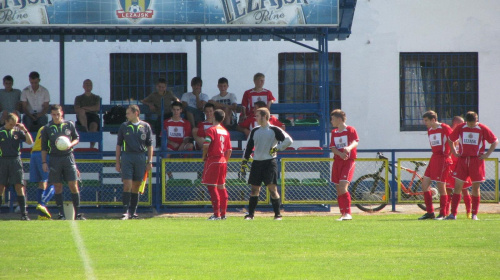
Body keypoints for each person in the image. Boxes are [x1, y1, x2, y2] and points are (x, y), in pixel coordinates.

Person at [241, 107, 292, 220]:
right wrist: (244, 161)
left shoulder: (274, 130)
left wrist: (276, 149)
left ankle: (277, 214)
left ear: (264, 117)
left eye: (258, 116)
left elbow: (288, 140)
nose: (256, 118)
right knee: (254, 189)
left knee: (272, 189)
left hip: (269, 163)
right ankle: (251, 214)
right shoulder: (255, 130)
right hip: (256, 163)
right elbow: (248, 147)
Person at [445, 111, 498, 220]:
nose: (471, 126)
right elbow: (450, 139)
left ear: (476, 121)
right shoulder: (461, 127)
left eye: (472, 124)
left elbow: (494, 141)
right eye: (469, 124)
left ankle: (474, 214)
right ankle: (453, 214)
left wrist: (487, 154)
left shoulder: (482, 128)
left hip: (476, 161)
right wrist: (454, 152)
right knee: (457, 187)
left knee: (475, 187)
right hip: (463, 160)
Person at [41, 104, 84, 220]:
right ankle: (61, 214)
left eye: (58, 114)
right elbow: (44, 147)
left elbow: (77, 138)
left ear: (62, 113)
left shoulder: (69, 125)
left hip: (68, 157)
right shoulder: (47, 128)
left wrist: (71, 144)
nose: (56, 117)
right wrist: (44, 162)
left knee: (73, 185)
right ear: (51, 114)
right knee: (58, 186)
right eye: (54, 114)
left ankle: (78, 214)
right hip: (54, 158)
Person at [116, 105, 154, 220]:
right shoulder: (124, 126)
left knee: (136, 185)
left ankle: (133, 212)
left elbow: (149, 145)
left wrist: (149, 161)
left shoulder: (145, 126)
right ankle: (125, 212)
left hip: (140, 157)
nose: (126, 116)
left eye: (128, 113)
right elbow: (118, 145)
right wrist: (117, 162)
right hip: (127, 156)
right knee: (127, 184)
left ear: (136, 113)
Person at [418, 111, 453, 220]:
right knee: (424, 185)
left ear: (433, 119)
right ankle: (430, 212)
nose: (425, 123)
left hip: (443, 159)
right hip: (434, 158)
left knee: (441, 187)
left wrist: (449, 155)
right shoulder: (430, 130)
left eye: (426, 120)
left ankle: (443, 213)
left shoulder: (445, 128)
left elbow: (454, 141)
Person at [0, 113, 33, 220]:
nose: (12, 126)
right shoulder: (1, 132)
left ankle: (24, 214)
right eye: (10, 124)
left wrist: (25, 130)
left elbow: (29, 142)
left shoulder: (18, 132)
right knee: (1, 187)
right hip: (3, 160)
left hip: (15, 160)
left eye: (14, 124)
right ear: (6, 121)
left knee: (19, 186)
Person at [202, 109, 232, 220]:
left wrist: (204, 156)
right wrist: (225, 160)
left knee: (212, 187)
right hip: (223, 161)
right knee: (221, 187)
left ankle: (216, 214)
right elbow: (229, 150)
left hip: (213, 160)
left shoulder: (211, 130)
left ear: (214, 117)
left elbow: (206, 145)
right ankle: (223, 214)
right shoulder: (225, 131)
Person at [329, 109, 359, 221]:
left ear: (339, 119)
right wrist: (340, 154)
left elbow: (355, 141)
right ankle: (342, 213)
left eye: (332, 119)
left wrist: (348, 148)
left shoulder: (350, 129)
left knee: (343, 187)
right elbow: (332, 147)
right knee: (338, 188)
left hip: (348, 161)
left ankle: (348, 213)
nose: (331, 121)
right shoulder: (334, 132)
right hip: (337, 162)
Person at [445, 116, 473, 218]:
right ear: (455, 124)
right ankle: (446, 211)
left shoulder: (464, 133)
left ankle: (469, 212)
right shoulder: (450, 133)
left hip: (461, 165)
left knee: (464, 189)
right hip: (451, 165)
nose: (463, 124)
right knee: (448, 189)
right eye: (460, 123)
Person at [141, 78, 179, 148]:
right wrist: (150, 104)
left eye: (163, 87)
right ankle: (158, 144)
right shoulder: (153, 95)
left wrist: (177, 103)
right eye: (160, 87)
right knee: (158, 126)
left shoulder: (169, 93)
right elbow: (143, 101)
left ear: (165, 87)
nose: (161, 88)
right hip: (160, 115)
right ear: (157, 86)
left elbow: (176, 99)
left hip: (169, 114)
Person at [163, 101, 194, 178]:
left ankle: (187, 167)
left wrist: (182, 144)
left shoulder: (186, 123)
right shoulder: (166, 122)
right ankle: (169, 175)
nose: (176, 111)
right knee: (166, 154)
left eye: (178, 109)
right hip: (171, 146)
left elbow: (187, 138)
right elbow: (163, 136)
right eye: (174, 109)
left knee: (190, 145)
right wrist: (171, 143)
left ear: (181, 110)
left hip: (182, 145)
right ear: (171, 110)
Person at [30, 125, 55, 220]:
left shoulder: (42, 127)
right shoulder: (55, 128)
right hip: (43, 154)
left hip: (34, 154)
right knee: (53, 182)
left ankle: (41, 214)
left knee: (41, 183)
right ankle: (42, 204)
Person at [74, 79, 101, 148]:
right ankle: (85, 129)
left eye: (90, 84)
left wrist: (84, 108)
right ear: (83, 86)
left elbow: (96, 108)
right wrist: (88, 109)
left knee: (94, 125)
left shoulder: (96, 97)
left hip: (93, 116)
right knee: (81, 112)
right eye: (86, 84)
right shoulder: (78, 98)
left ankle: (92, 146)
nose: (88, 86)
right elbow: (77, 109)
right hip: (82, 117)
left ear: (92, 87)